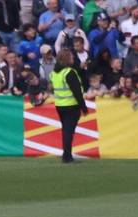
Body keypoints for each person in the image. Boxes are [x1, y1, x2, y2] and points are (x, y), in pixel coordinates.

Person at [50, 31, 87, 162]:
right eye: (71, 57)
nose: (73, 58)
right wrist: (83, 107)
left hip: (60, 106)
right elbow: (77, 92)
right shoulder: (69, 72)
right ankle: (67, 156)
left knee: (66, 130)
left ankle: (66, 154)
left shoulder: (55, 73)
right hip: (71, 105)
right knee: (68, 132)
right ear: (67, 59)